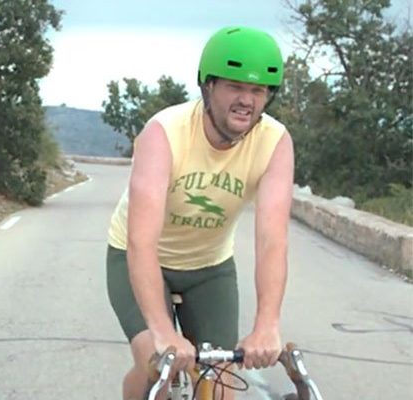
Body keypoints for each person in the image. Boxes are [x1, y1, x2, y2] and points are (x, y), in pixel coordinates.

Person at [105, 26, 294, 399]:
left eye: (258, 91)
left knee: (220, 385)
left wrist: (267, 324)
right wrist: (163, 331)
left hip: (209, 267)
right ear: (208, 86)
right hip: (139, 258)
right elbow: (141, 241)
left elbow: (272, 239)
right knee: (155, 370)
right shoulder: (164, 132)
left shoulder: (275, 142)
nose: (246, 100)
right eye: (235, 87)